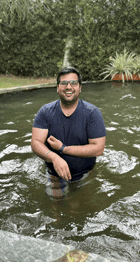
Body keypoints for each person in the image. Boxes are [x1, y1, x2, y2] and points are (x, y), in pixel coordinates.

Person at [31, 66, 106, 201]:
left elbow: (98, 148)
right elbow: (36, 143)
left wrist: (62, 149)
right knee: (57, 209)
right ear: (58, 87)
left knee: (80, 208)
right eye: (64, 83)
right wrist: (54, 157)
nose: (69, 87)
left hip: (85, 174)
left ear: (80, 88)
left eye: (74, 83)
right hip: (54, 174)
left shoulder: (92, 113)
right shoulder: (45, 112)